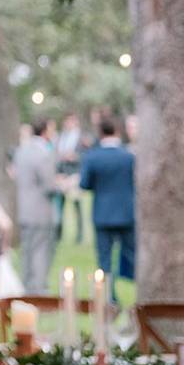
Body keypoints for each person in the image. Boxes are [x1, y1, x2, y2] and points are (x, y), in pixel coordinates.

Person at [80, 117, 135, 292]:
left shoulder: (93, 157)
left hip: (102, 214)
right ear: (117, 132)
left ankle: (109, 297)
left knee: (104, 259)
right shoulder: (129, 156)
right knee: (133, 255)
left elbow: (84, 184)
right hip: (127, 213)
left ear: (100, 133)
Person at [13, 118, 58, 294]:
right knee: (40, 251)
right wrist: (62, 185)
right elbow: (49, 185)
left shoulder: (21, 151)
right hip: (40, 210)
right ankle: (38, 290)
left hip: (24, 208)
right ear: (45, 130)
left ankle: (26, 285)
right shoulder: (43, 154)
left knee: (27, 251)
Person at [55, 113, 85, 243]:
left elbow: (85, 155)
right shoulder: (61, 137)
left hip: (75, 174)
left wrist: (75, 156)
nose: (69, 124)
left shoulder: (81, 137)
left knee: (76, 205)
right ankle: (58, 234)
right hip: (62, 174)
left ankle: (79, 234)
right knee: (60, 205)